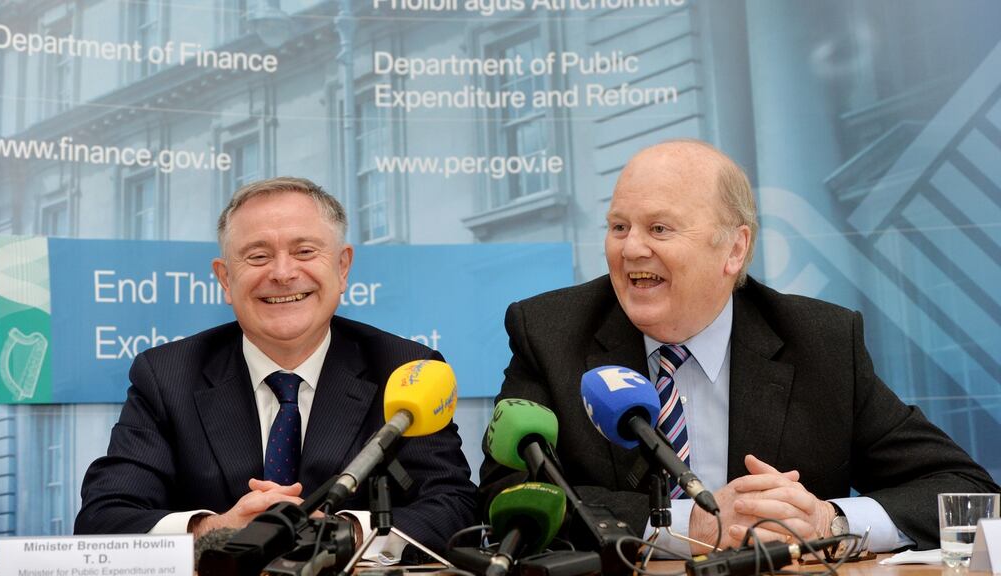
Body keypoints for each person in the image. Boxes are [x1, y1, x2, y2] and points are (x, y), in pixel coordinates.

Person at [478, 140, 998, 555]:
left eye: (659, 228)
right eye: (619, 227)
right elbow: (508, 494)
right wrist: (693, 524)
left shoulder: (821, 340)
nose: (631, 247)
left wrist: (827, 519)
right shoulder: (550, 331)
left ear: (734, 248)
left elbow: (965, 491)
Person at [76, 177, 476, 555]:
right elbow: (104, 518)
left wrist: (344, 533)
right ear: (225, 279)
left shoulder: (404, 370)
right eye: (258, 256)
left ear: (342, 267)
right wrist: (214, 531)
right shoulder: (167, 376)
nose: (283, 273)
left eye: (304, 252)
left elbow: (454, 507)